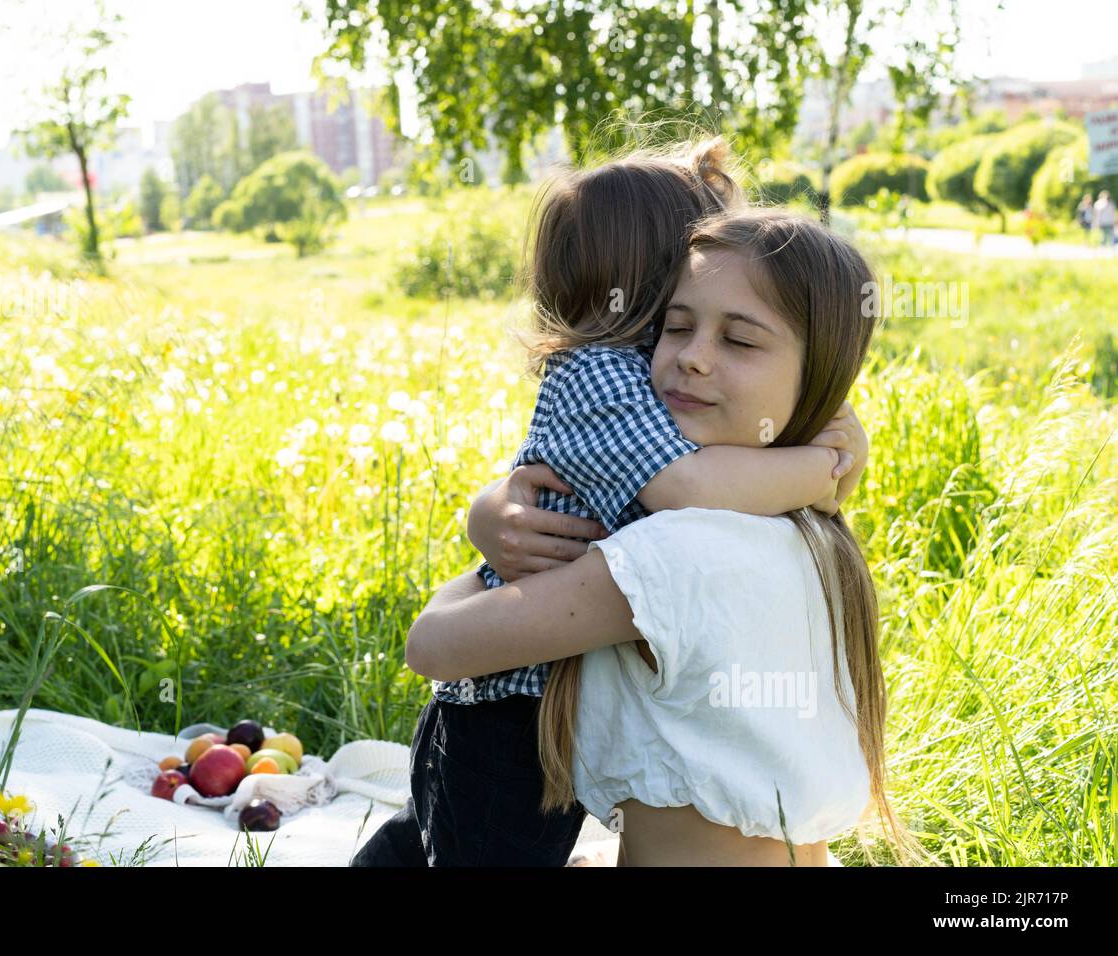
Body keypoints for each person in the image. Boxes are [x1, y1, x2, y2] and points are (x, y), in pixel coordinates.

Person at [349, 142, 868, 867]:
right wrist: (824, 469)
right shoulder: (609, 377)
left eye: (738, 332)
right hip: (511, 697)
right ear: (656, 282)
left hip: (541, 677)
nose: (691, 356)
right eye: (682, 318)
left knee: (447, 833)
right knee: (472, 843)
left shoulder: (711, 511)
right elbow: (684, 486)